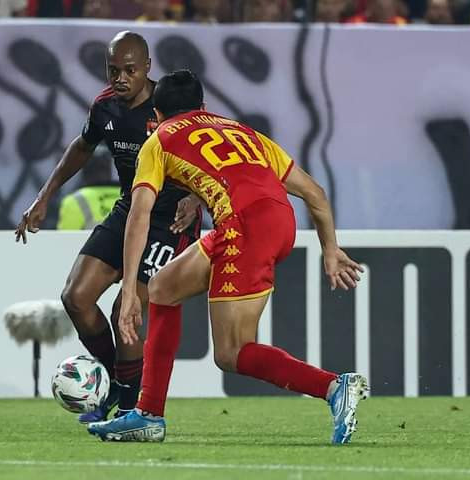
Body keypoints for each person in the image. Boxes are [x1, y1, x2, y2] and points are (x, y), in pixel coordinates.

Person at [88, 70, 368, 444]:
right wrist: (330, 250)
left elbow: (139, 214)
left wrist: (126, 293)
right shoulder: (242, 132)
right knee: (162, 287)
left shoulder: (159, 140)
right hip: (270, 219)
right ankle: (148, 415)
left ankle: (334, 387)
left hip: (245, 226)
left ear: (155, 116)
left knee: (231, 352)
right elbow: (314, 193)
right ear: (203, 108)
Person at [15, 33, 202, 423]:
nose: (120, 78)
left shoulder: (169, 105)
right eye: (113, 70)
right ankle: (117, 382)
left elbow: (210, 154)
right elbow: (83, 146)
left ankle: (131, 403)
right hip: (131, 207)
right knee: (76, 297)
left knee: (125, 308)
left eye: (130, 71)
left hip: (170, 218)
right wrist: (44, 196)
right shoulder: (105, 107)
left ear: (147, 67)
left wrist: (196, 198)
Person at [57, 147, 121, 230]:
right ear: (109, 170)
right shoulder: (130, 196)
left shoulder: (74, 201)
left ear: (84, 172)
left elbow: (64, 240)